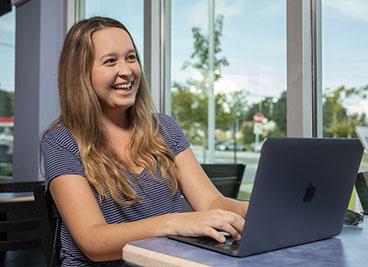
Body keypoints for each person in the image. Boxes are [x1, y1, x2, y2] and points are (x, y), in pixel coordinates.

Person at [40, 16, 248, 266]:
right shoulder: (61, 141)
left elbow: (211, 202)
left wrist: (253, 209)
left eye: (131, 57)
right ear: (81, 73)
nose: (127, 71)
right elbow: (93, 241)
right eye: (110, 61)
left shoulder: (165, 128)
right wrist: (176, 222)